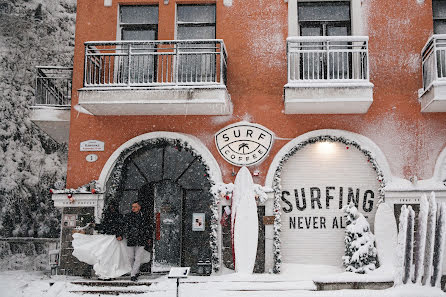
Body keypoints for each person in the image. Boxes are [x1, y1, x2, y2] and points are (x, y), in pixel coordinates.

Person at [117, 201, 152, 281]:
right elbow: (122, 226)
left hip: (141, 239)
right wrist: (119, 234)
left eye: (135, 207)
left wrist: (148, 238)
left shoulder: (144, 217)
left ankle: (133, 274)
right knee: (130, 257)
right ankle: (135, 271)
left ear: (139, 207)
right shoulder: (128, 216)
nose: (133, 208)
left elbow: (148, 228)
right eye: (132, 206)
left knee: (138, 257)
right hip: (131, 239)